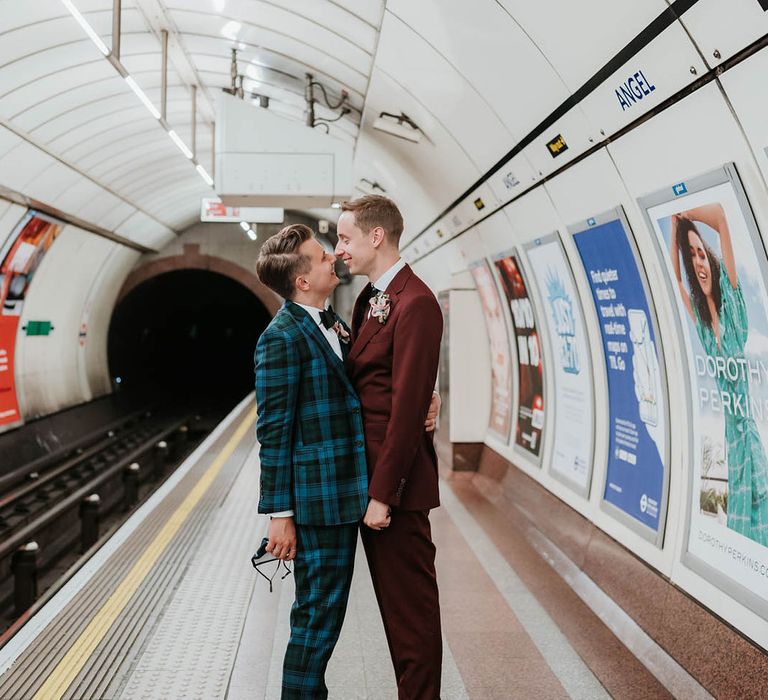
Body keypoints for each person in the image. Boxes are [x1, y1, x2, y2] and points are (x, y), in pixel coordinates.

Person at [336, 195, 444, 699]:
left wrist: (384, 494)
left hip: (394, 489)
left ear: (376, 236)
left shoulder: (417, 302)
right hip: (369, 479)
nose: (339, 250)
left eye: (344, 238)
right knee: (393, 617)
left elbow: (405, 410)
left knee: (412, 620)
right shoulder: (370, 299)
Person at [254, 223, 368, 698]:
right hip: (317, 500)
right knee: (316, 616)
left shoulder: (328, 321)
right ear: (301, 280)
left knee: (324, 613)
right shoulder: (281, 338)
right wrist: (279, 515)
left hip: (340, 492)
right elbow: (273, 432)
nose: (332, 259)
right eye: (321, 257)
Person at [670, 203, 768, 545]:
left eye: (701, 252)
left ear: (710, 258)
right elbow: (675, 277)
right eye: (691, 255)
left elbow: (722, 216)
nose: (698, 261)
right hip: (731, 440)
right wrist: (675, 229)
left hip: (749, 439)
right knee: (742, 527)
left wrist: (686, 215)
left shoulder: (735, 313)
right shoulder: (701, 323)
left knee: (760, 514)